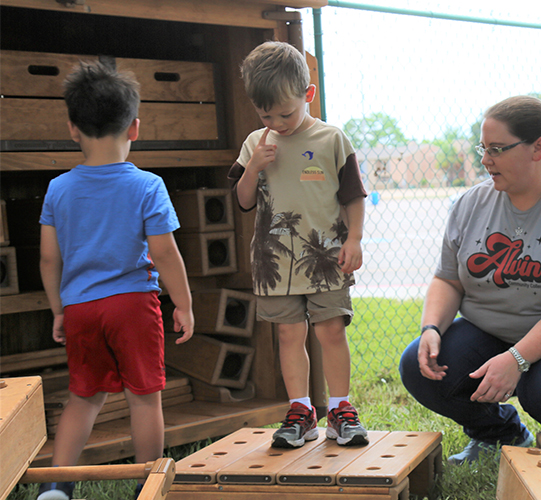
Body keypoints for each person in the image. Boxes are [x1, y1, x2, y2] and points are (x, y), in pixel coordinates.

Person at [399, 95, 541, 464]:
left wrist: (516, 359)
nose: (485, 160)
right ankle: (500, 435)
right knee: (420, 368)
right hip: (493, 332)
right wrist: (431, 329)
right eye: (483, 148)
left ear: (538, 148)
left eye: (498, 149)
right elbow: (447, 280)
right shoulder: (470, 203)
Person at [37, 60, 195, 500]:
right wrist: (182, 303)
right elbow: (163, 252)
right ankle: (151, 484)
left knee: (83, 398)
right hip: (132, 304)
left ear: (73, 129)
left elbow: (50, 258)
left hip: (81, 308)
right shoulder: (148, 186)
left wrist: (58, 308)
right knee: (144, 396)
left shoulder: (57, 189)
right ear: (135, 127)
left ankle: (55, 487)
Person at [228, 41, 368, 449]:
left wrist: (354, 239)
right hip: (273, 261)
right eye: (265, 114)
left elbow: (353, 196)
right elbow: (243, 200)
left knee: (329, 331)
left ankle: (340, 409)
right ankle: (301, 411)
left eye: (286, 112)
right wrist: (254, 166)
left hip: (325, 257)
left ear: (308, 95)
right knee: (289, 335)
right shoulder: (256, 143)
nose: (277, 121)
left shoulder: (331, 139)